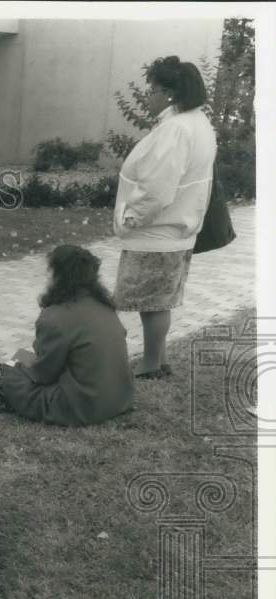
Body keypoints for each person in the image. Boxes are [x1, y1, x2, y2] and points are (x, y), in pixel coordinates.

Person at [112, 55, 217, 379]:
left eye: (153, 89)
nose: (148, 95)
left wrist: (131, 218)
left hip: (157, 231)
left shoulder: (176, 129)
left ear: (170, 92)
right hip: (175, 229)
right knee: (159, 300)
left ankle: (151, 365)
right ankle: (156, 360)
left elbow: (158, 188)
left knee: (153, 302)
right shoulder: (197, 122)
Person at [0, 244, 135, 427]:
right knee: (21, 357)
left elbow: (43, 375)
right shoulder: (106, 307)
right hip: (119, 399)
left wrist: (18, 367)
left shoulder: (55, 316)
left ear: (59, 275)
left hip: (82, 406)